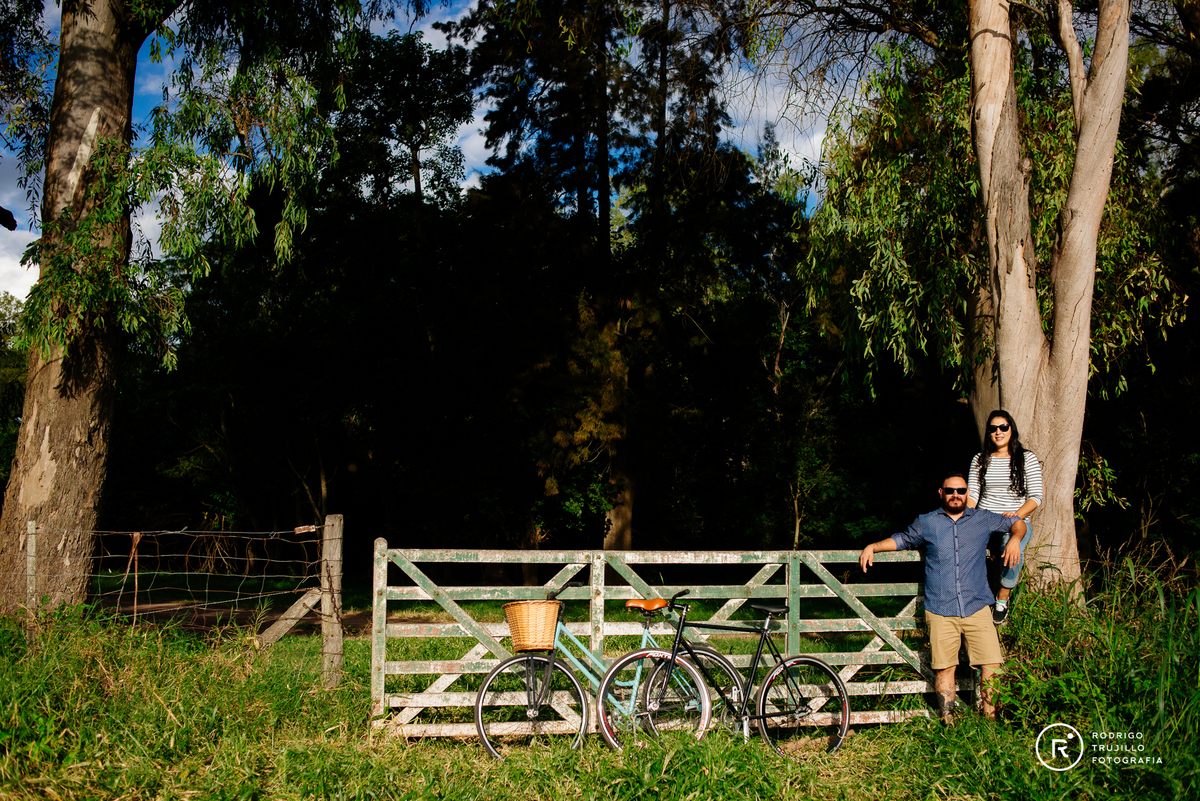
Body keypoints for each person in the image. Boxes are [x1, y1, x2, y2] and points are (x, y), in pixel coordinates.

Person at [858, 472, 1025, 721]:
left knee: (992, 667)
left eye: (960, 490)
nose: (955, 495)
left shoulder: (983, 519)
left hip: (977, 605)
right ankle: (950, 725)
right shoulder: (927, 522)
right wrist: (873, 546)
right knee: (945, 669)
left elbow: (1017, 522)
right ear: (941, 493)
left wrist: (1016, 538)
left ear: (968, 493)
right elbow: (903, 539)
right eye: (950, 491)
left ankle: (990, 726)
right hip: (940, 607)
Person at [966, 410, 1043, 625]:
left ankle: (1002, 598)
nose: (998, 432)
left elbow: (1036, 497)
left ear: (1011, 429)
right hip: (984, 517)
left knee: (1010, 544)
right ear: (988, 433)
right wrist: (967, 518)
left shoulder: (1026, 458)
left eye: (1003, 427)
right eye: (993, 428)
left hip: (1014, 520)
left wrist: (1016, 515)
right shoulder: (980, 459)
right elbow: (973, 493)